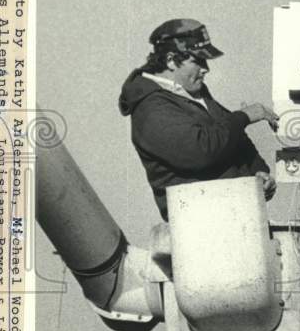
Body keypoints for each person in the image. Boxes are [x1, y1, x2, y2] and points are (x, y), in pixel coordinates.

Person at [119, 18, 278, 221]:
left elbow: (235, 138)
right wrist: (244, 116)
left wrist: (258, 172)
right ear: (170, 60)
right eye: (197, 60)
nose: (206, 68)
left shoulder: (193, 92)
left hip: (236, 217)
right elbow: (201, 151)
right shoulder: (151, 109)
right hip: (200, 224)